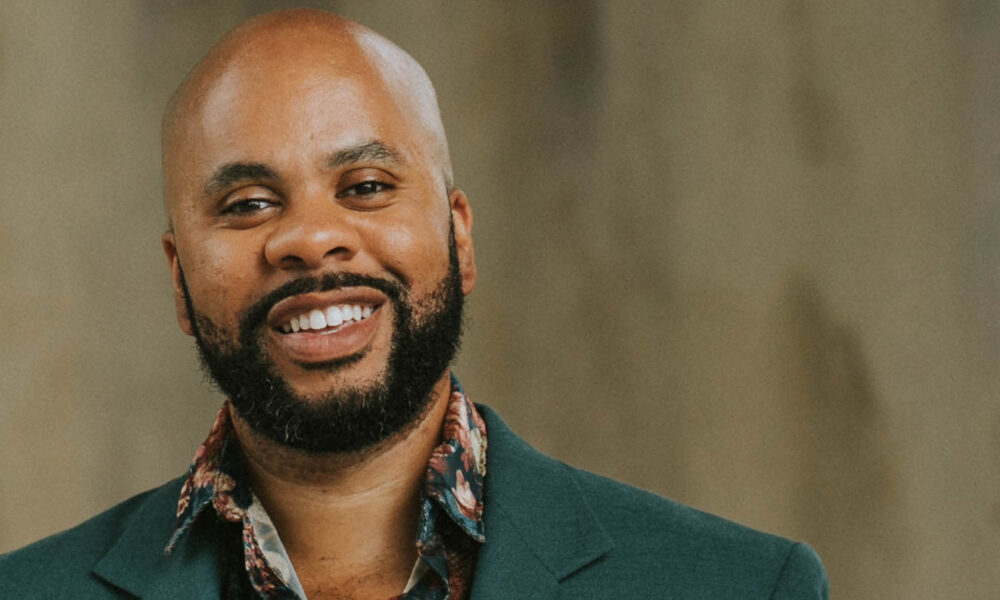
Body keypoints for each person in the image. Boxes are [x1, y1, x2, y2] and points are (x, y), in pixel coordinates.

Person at [0, 9, 828, 599]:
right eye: (248, 204)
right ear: (179, 277)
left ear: (459, 237)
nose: (311, 238)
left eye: (365, 186)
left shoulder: (744, 586)